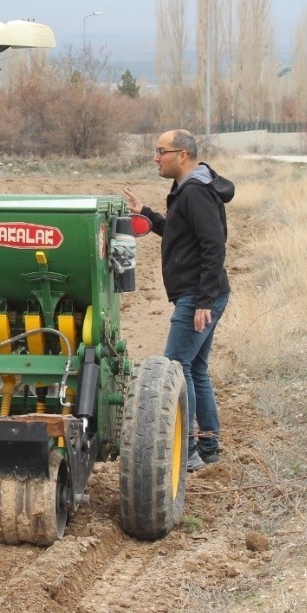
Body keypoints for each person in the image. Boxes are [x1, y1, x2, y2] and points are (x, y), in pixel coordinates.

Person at [123, 129, 234, 473]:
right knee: (195, 368)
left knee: (174, 367)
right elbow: (178, 231)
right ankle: (209, 447)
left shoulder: (196, 192)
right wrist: (146, 213)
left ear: (182, 155)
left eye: (161, 151)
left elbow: (213, 246)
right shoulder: (188, 188)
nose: (155, 157)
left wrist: (203, 301)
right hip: (204, 293)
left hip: (198, 295)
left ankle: (187, 451)